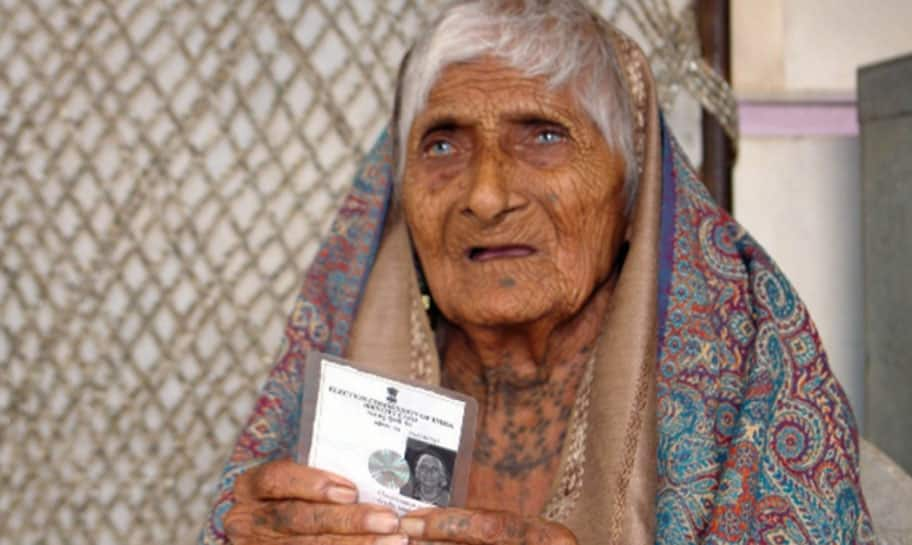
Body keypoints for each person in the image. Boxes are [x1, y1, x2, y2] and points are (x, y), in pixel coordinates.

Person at [201, 1, 873, 544]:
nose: (486, 195)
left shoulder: (748, 388)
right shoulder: (336, 392)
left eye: (544, 134)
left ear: (634, 195)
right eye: (442, 143)